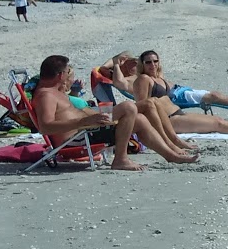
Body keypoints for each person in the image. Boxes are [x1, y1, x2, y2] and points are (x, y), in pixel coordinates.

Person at [30, 55, 195, 169]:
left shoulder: (54, 91)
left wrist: (92, 116)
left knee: (139, 119)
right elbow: (46, 127)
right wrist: (83, 122)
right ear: (59, 75)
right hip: (76, 139)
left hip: (87, 129)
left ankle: (170, 155)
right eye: (67, 73)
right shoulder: (46, 96)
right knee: (129, 107)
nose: (68, 77)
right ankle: (120, 159)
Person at [105, 53, 228, 139]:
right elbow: (143, 107)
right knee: (217, 123)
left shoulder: (159, 78)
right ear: (143, 65)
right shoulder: (142, 80)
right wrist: (116, 63)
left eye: (155, 61)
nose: (152, 64)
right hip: (169, 120)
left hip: (177, 113)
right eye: (148, 62)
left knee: (216, 120)